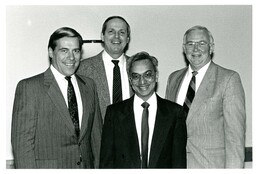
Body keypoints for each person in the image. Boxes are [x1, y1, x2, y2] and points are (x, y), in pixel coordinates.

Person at [11, 27, 102, 169]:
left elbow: (97, 140)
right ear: (51, 52)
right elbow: (22, 148)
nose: (71, 57)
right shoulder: (30, 87)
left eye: (76, 51)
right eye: (64, 51)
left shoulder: (89, 86)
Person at [165, 25, 246, 168]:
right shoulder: (173, 79)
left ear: (211, 47)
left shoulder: (228, 79)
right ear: (184, 48)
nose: (196, 49)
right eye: (190, 44)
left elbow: (235, 140)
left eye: (202, 43)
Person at [100, 51, 187, 168]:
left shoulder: (174, 113)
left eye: (147, 74)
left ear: (156, 76)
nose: (142, 81)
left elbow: (179, 162)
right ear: (130, 80)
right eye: (136, 76)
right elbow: (106, 162)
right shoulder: (114, 113)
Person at [77, 16, 132, 121]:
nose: (116, 36)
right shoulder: (83, 69)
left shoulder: (137, 67)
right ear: (102, 36)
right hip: (99, 136)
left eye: (122, 32)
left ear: (128, 39)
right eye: (111, 31)